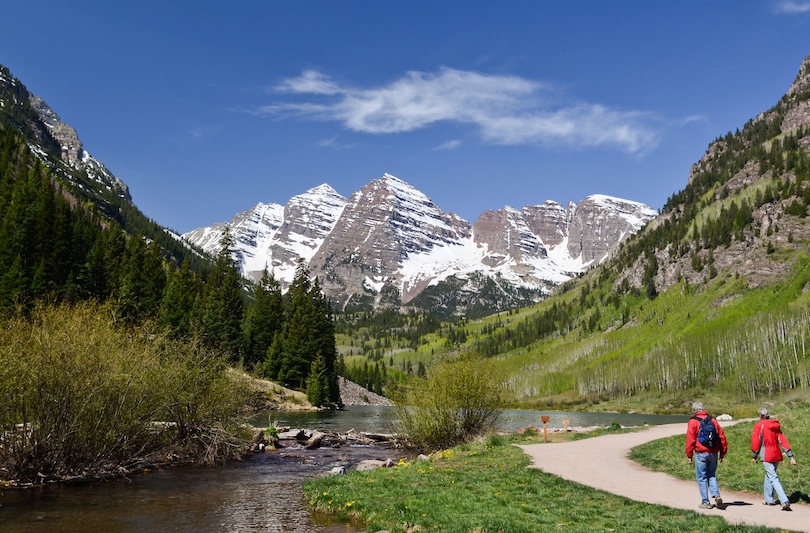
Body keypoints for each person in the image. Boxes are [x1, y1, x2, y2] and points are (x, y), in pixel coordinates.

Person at [751, 407, 797, 511]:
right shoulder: (776, 426)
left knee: (773, 477)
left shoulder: (759, 426)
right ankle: (768, 499)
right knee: (769, 476)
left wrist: (754, 456)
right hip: (777, 454)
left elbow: (756, 442)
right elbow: (783, 441)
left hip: (767, 454)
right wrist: (790, 456)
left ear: (760, 416)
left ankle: (784, 501)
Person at [685, 401, 728, 509]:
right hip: (713, 452)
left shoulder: (693, 421)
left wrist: (689, 455)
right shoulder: (712, 420)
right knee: (711, 475)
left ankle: (705, 502)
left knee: (702, 477)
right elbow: (721, 437)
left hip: (701, 453)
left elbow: (690, 439)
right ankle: (716, 495)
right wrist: (723, 453)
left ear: (694, 411)